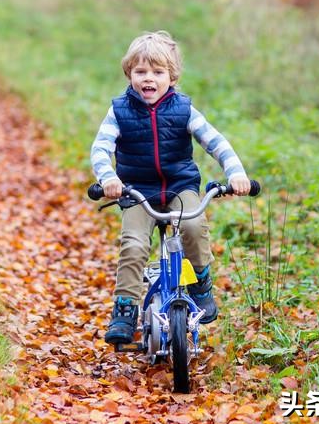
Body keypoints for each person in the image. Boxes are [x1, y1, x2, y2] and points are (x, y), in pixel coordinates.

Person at [90, 30, 251, 345]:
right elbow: (100, 148)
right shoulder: (119, 111)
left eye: (157, 72)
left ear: (172, 77)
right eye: (140, 72)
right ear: (129, 74)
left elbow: (216, 143)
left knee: (192, 225)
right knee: (135, 244)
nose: (148, 79)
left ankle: (201, 286)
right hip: (136, 191)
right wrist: (108, 178)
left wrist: (236, 173)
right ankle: (125, 309)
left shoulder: (184, 109)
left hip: (179, 186)